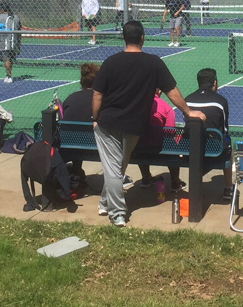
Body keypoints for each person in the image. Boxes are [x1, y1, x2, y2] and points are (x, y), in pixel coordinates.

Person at [91, 20, 207, 227]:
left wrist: (95, 118)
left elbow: (98, 94)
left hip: (109, 123)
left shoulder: (111, 62)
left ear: (124, 38)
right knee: (116, 168)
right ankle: (111, 207)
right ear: (143, 38)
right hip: (134, 126)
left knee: (114, 169)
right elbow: (172, 91)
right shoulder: (153, 63)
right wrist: (188, 112)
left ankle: (112, 208)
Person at [185, 67, 234, 203]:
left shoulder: (187, 101)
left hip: (189, 148)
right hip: (214, 149)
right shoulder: (221, 102)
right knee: (229, 145)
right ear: (215, 83)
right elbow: (224, 129)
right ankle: (228, 187)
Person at [136, 88, 184, 191]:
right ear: (159, 92)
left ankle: (146, 178)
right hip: (161, 148)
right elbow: (171, 131)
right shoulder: (166, 106)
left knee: (140, 141)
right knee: (172, 144)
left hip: (138, 148)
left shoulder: (136, 104)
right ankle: (175, 182)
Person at [0, 4, 19, 84]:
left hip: (4, 42)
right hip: (14, 42)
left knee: (6, 59)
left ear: (2, 10)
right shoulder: (16, 17)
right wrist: (19, 42)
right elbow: (19, 30)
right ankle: (8, 74)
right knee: (10, 59)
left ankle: (9, 75)